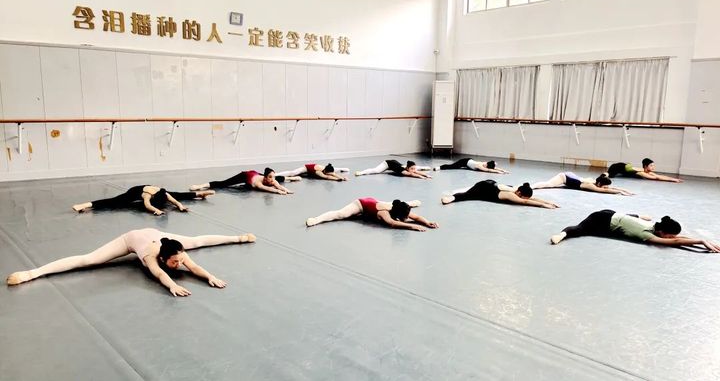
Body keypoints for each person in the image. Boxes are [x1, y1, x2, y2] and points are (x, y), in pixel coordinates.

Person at [6, 228, 258, 296]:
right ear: (163, 258)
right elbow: (160, 275)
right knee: (88, 259)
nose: (179, 265)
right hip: (133, 239)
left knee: (196, 241)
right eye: (175, 263)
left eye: (179, 260)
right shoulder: (151, 257)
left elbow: (194, 267)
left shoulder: (177, 251)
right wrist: (172, 285)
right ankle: (32, 273)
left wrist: (210, 276)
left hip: (156, 234)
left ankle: (238, 237)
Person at [550, 210, 720, 252]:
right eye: (669, 235)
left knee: (630, 218)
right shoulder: (646, 235)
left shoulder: (654, 226)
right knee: (579, 230)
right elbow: (675, 241)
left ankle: (639, 215)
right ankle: (562, 234)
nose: (670, 238)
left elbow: (677, 238)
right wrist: (700, 241)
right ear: (662, 232)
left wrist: (704, 241)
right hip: (600, 220)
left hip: (614, 214)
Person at [306, 198, 438, 231]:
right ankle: (316, 219)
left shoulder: (398, 209)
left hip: (376, 202)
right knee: (341, 214)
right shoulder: (384, 213)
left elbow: (416, 217)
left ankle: (411, 202)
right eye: (406, 216)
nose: (409, 217)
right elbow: (392, 223)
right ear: (398, 213)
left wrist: (427, 222)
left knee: (388, 203)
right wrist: (413, 226)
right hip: (362, 204)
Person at [72, 185, 215, 216]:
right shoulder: (147, 195)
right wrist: (156, 210)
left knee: (177, 194)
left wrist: (180, 207)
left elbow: (174, 200)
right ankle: (85, 205)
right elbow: (147, 205)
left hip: (153, 191)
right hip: (135, 191)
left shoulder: (164, 193)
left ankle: (199, 194)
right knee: (115, 201)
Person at [441, 180, 559, 209]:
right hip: (483, 188)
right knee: (467, 195)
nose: (524, 198)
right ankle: (451, 198)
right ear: (519, 193)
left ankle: (452, 197)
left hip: (490, 184)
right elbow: (525, 201)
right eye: (523, 196)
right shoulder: (511, 194)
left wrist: (549, 202)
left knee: (468, 195)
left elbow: (531, 198)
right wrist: (543, 206)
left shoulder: (516, 190)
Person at [190, 168, 296, 195]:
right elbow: (268, 189)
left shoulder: (272, 180)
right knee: (224, 184)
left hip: (256, 174)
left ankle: (290, 178)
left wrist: (287, 190)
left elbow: (279, 186)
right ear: (265, 178)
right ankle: (200, 185)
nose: (273, 180)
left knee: (278, 179)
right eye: (270, 177)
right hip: (246, 176)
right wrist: (278, 192)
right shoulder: (258, 183)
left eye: (273, 177)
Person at [532, 172, 633, 196]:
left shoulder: (595, 182)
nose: (606, 187)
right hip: (564, 177)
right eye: (605, 185)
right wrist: (619, 192)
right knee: (549, 184)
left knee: (549, 184)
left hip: (572, 176)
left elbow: (607, 188)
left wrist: (624, 190)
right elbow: (602, 190)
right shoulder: (590, 185)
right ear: (599, 183)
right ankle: (532, 186)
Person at [607, 158, 682, 182]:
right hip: (616, 167)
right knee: (610, 176)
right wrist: (672, 180)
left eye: (653, 165)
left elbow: (658, 176)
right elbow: (656, 177)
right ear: (646, 166)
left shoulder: (646, 171)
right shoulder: (641, 172)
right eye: (651, 166)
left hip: (625, 167)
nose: (653, 167)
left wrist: (673, 179)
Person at [355, 160, 432, 179]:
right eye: (412, 168)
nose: (413, 170)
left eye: (414, 168)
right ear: (407, 168)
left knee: (417, 168)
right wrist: (421, 177)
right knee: (376, 171)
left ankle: (425, 167)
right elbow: (412, 174)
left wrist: (427, 175)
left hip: (395, 163)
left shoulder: (409, 168)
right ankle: (361, 172)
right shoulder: (403, 171)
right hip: (387, 164)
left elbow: (416, 171)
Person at [276, 163, 349, 181]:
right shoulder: (319, 172)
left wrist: (342, 178)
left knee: (335, 170)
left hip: (315, 170)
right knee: (293, 173)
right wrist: (337, 179)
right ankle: (276, 174)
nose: (331, 174)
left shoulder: (325, 168)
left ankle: (343, 169)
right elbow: (327, 177)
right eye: (329, 173)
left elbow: (332, 173)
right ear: (325, 171)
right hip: (306, 168)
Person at [437, 158, 509, 174]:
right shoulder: (480, 166)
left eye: (486, 165)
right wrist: (498, 172)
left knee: (454, 166)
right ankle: (439, 167)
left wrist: (503, 170)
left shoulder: (486, 165)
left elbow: (494, 167)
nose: (485, 164)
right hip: (464, 162)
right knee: (452, 166)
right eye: (486, 164)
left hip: (470, 161)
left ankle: (440, 167)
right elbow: (489, 170)